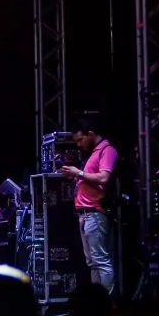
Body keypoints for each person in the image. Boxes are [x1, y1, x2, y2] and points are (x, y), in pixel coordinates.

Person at [60, 115, 117, 292]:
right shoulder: (94, 153)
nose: (78, 144)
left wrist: (79, 173)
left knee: (100, 260)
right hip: (85, 214)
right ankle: (97, 302)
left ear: (90, 134)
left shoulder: (106, 150)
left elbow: (104, 177)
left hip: (95, 212)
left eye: (80, 139)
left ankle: (108, 303)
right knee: (92, 262)